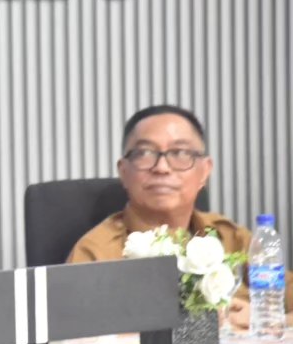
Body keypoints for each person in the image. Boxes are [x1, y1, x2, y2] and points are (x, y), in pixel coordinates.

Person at [67, 104, 292, 328]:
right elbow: (72, 337)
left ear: (205, 171)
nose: (162, 168)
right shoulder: (96, 253)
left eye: (180, 153)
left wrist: (269, 320)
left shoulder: (232, 239)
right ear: (123, 172)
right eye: (144, 153)